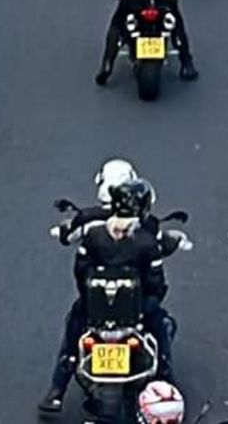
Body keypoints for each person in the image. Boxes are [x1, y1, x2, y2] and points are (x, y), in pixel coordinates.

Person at [38, 176, 186, 416]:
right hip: (135, 312)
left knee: (73, 328)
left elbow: (81, 271)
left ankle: (57, 389)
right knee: (159, 323)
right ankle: (166, 377)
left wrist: (92, 297)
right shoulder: (147, 242)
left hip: (95, 310)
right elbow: (156, 283)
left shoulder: (94, 236)